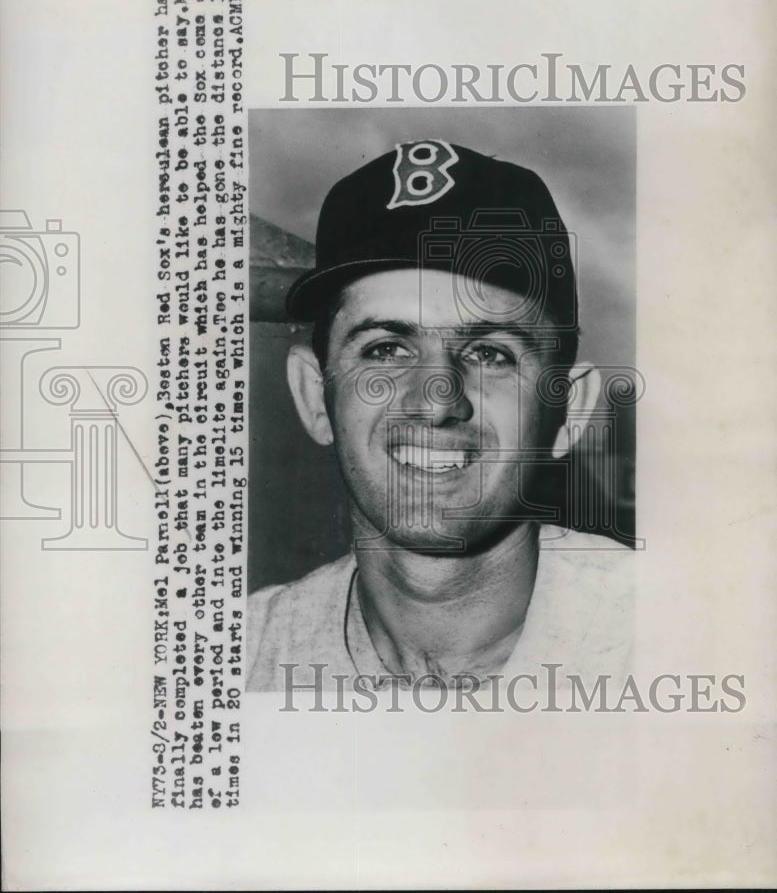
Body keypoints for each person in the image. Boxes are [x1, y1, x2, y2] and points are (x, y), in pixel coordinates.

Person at [246, 139, 633, 692]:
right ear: (314, 395)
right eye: (386, 349)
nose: (436, 400)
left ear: (569, 410)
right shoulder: (233, 661)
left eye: (490, 354)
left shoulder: (686, 638)